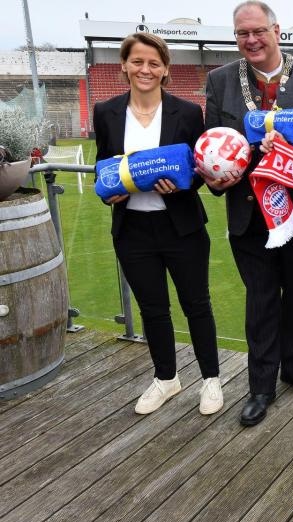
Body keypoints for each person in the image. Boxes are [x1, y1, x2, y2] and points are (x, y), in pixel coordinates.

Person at [201, 0, 293, 426]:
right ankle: (261, 386)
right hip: (248, 212)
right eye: (243, 34)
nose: (252, 40)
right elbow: (211, 144)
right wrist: (213, 178)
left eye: (258, 31)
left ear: (277, 31)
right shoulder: (220, 81)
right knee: (260, 300)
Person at [93, 32, 222, 416]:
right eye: (137, 62)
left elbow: (200, 170)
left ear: (165, 69)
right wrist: (108, 193)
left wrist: (180, 184)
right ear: (124, 65)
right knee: (153, 308)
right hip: (132, 228)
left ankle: (211, 379)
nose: (144, 69)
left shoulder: (186, 112)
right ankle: (166, 378)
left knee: (197, 304)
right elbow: (106, 168)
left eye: (153, 63)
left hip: (181, 226)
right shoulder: (106, 111)